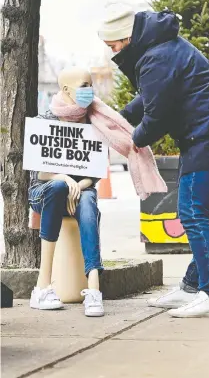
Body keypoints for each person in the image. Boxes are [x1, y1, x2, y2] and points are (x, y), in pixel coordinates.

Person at [98, 3, 209, 318]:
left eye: (112, 44)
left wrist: (131, 139)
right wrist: (119, 117)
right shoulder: (159, 48)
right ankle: (191, 287)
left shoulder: (156, 57)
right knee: (206, 214)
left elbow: (157, 116)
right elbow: (153, 97)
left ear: (126, 38)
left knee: (192, 212)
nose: (111, 51)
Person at [29, 68, 105, 317]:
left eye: (90, 85)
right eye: (84, 85)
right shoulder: (45, 121)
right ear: (66, 89)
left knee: (88, 199)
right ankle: (42, 287)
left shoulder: (93, 123)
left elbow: (93, 175)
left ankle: (94, 290)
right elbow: (38, 175)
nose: (89, 90)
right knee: (59, 186)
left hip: (78, 193)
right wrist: (63, 178)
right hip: (46, 191)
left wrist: (78, 186)